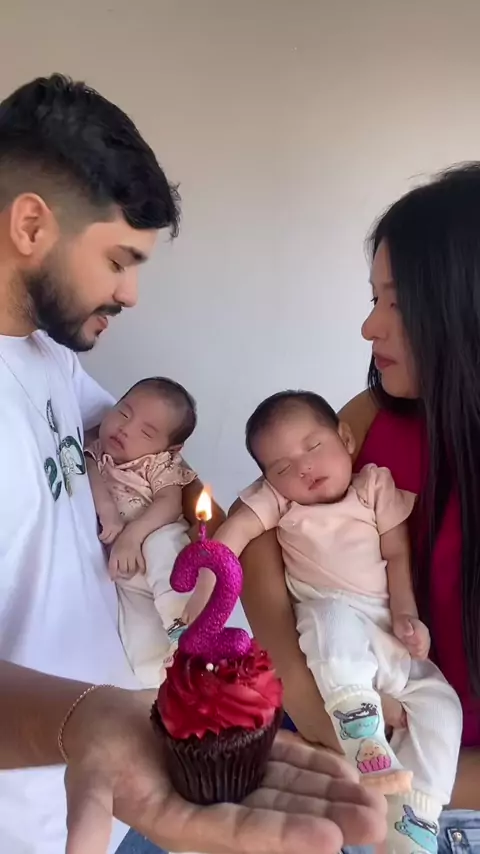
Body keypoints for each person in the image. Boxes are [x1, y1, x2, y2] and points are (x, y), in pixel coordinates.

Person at [0, 73, 387, 854]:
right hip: (42, 815)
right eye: (119, 259)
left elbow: (169, 475)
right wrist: (83, 723)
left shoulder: (46, 359)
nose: (132, 293)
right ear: (31, 224)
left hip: (135, 768)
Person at [239, 165, 480, 853]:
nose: (369, 325)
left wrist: (406, 780)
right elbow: (262, 531)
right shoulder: (374, 417)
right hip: (336, 760)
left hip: (437, 798)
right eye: (375, 297)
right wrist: (305, 697)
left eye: (397, 302)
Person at [206, 389, 461, 854]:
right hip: (329, 626)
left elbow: (397, 554)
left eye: (313, 447)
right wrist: (209, 568)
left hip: (384, 632)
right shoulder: (282, 503)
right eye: (282, 467)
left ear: (345, 439)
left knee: (442, 705)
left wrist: (406, 615)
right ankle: (359, 726)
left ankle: (416, 815)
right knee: (331, 621)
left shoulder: (374, 486)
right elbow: (239, 530)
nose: (303, 468)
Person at [86, 376, 199, 687]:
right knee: (137, 630)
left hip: (155, 540)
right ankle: (161, 680)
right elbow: (90, 473)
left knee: (162, 547)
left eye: (146, 432)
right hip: (127, 571)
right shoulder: (94, 451)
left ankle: (187, 627)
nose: (125, 428)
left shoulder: (158, 463)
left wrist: (133, 535)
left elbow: (169, 503)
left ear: (171, 448)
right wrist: (107, 511)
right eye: (123, 412)